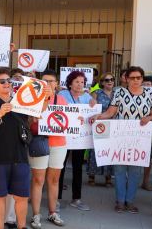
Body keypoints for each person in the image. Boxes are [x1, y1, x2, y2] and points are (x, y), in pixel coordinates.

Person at [0, 67, 51, 229]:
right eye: (2, 81)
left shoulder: (20, 101)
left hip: (19, 157)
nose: (6, 83)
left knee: (22, 197)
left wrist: (46, 96)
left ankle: (21, 227)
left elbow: (39, 110)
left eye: (9, 80)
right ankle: (0, 227)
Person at [89, 66, 152, 213]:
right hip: (120, 138)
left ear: (142, 78)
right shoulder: (120, 92)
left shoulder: (148, 95)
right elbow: (110, 112)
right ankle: (120, 200)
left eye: (138, 77)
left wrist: (150, 117)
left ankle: (130, 201)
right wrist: (97, 116)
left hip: (139, 139)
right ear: (127, 78)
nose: (135, 80)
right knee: (119, 170)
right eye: (132, 77)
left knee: (134, 171)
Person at [29, 69, 76, 228]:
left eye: (51, 81)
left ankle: (52, 213)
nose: (48, 84)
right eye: (45, 81)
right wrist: (46, 98)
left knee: (54, 180)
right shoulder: (34, 97)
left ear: (57, 84)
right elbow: (33, 118)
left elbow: (68, 119)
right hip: (39, 142)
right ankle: (36, 215)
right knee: (38, 181)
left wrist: (78, 119)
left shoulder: (62, 100)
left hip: (58, 143)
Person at [56, 71, 96, 212]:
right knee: (59, 167)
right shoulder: (62, 95)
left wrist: (94, 105)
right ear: (70, 83)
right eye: (77, 81)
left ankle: (76, 199)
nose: (80, 84)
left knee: (78, 167)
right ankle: (57, 199)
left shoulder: (88, 97)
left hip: (81, 138)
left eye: (82, 82)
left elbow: (92, 114)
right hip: (64, 136)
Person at [87, 72, 116, 187]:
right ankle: (92, 175)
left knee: (109, 151)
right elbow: (91, 107)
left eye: (112, 79)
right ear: (102, 82)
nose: (110, 82)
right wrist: (92, 101)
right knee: (96, 150)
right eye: (107, 80)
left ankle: (108, 177)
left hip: (113, 125)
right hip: (99, 124)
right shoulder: (96, 93)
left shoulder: (117, 93)